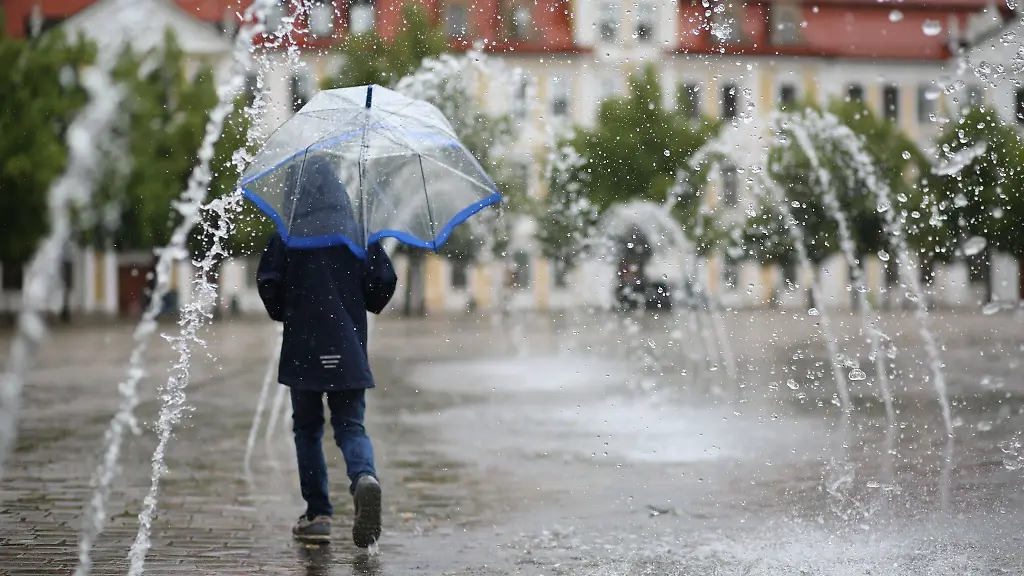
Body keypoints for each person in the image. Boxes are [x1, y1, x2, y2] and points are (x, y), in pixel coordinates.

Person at [257, 154, 398, 547]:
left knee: (307, 429)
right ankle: (363, 477)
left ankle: (318, 514)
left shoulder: (287, 233)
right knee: (351, 425)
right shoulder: (357, 232)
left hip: (303, 347)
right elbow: (383, 282)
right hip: (348, 349)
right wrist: (362, 297)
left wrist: (290, 309)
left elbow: (269, 284)